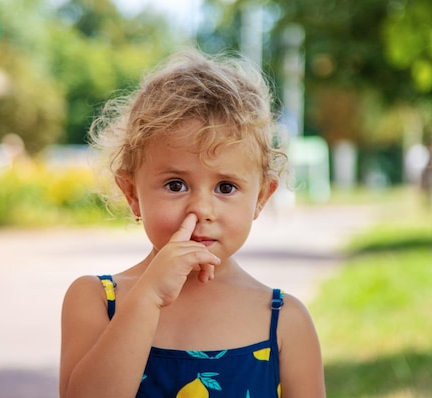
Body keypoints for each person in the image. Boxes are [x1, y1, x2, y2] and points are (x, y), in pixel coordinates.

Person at [59, 49, 326, 397]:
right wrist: (149, 295)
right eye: (175, 185)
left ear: (261, 197)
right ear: (132, 193)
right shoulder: (96, 299)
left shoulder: (285, 320)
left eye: (226, 187)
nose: (200, 208)